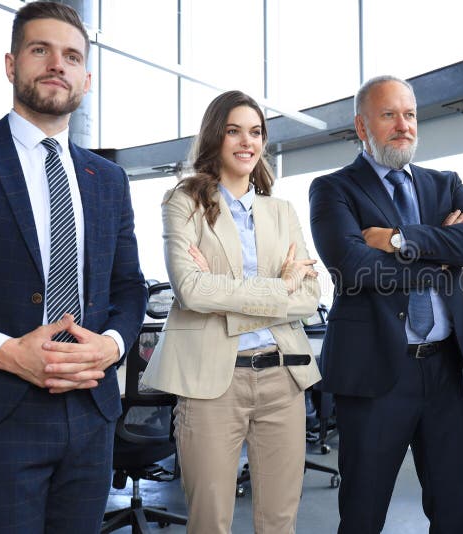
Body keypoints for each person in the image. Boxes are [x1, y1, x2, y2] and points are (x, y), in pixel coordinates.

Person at [0, 2, 147, 532]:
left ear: (86, 78)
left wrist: (114, 344)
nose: (57, 64)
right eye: (41, 50)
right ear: (12, 65)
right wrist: (5, 351)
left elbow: (129, 287)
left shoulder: (108, 178)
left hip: (91, 415)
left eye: (71, 56)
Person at [309, 75, 463, 533]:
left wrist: (399, 239)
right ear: (361, 125)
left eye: (409, 115)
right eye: (388, 114)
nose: (403, 125)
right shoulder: (333, 189)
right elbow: (355, 267)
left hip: (443, 369)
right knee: (363, 513)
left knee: (453, 513)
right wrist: (441, 253)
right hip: (374, 373)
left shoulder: (443, 184)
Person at [141, 90, 322, 534]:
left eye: (256, 132)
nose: (247, 141)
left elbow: (310, 297)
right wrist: (279, 287)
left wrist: (229, 297)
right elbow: (191, 289)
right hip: (210, 387)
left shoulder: (281, 211)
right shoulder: (184, 202)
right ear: (215, 137)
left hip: (284, 379)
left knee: (280, 523)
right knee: (209, 524)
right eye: (234, 130)